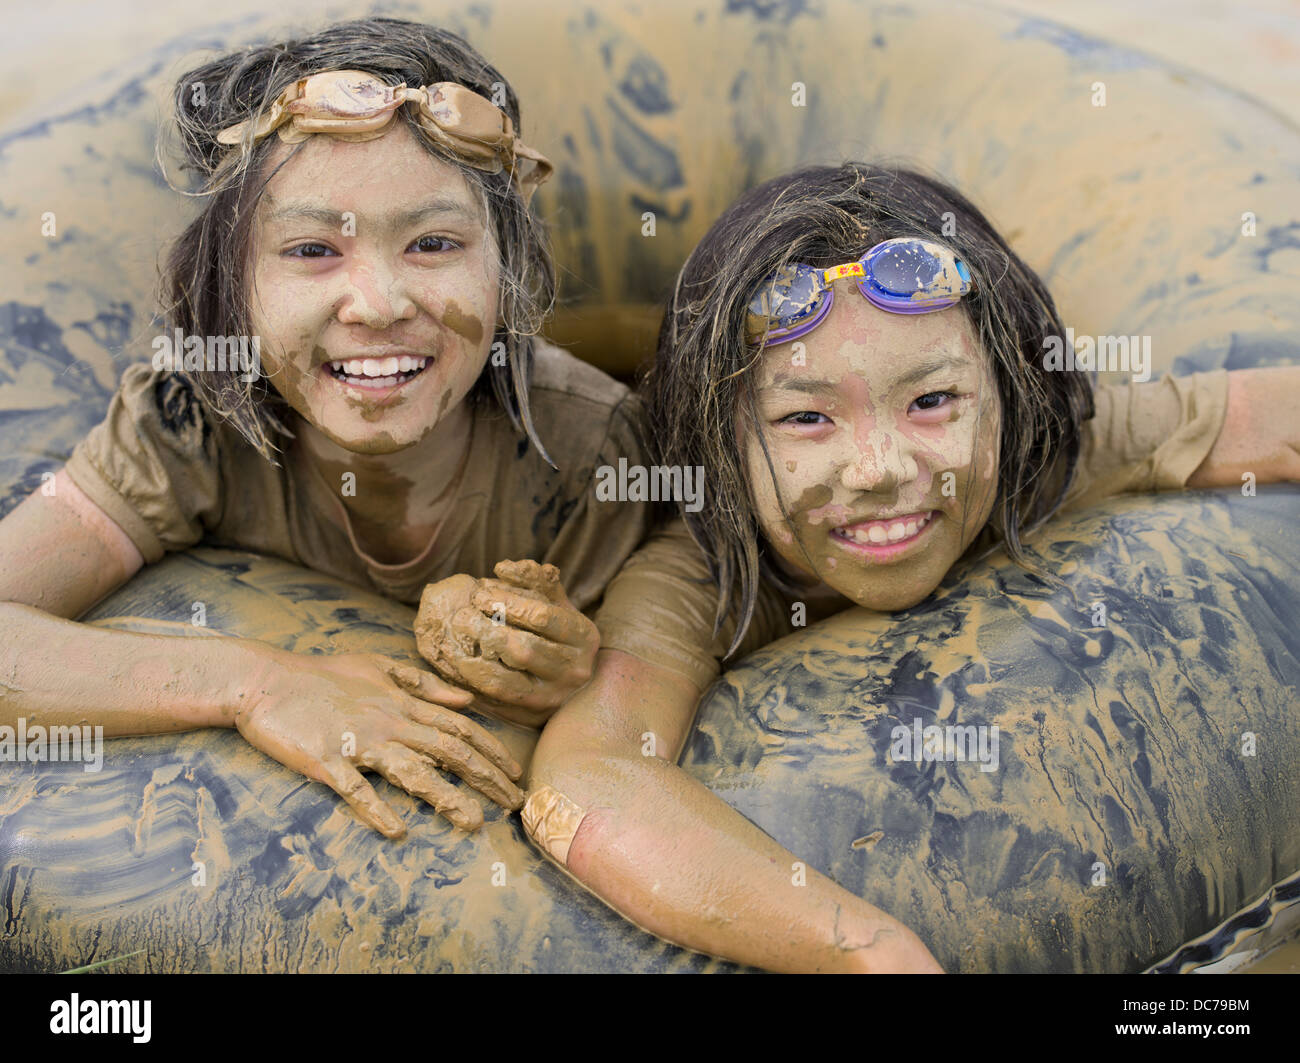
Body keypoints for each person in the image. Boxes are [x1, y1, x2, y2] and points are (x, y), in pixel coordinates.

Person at [524, 162, 1300, 972]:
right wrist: (863, 945)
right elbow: (591, 770)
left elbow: (1265, 418)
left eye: (932, 401)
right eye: (807, 417)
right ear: (718, 443)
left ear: (1010, 393)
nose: (879, 467)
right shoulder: (699, 576)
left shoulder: (1051, 458)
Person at [0, 18, 654, 837]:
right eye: (312, 249)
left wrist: (572, 669)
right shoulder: (187, 423)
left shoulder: (598, 453)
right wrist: (257, 684)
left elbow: (646, 710)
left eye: (434, 242)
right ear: (231, 282)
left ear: (506, 262)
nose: (379, 303)